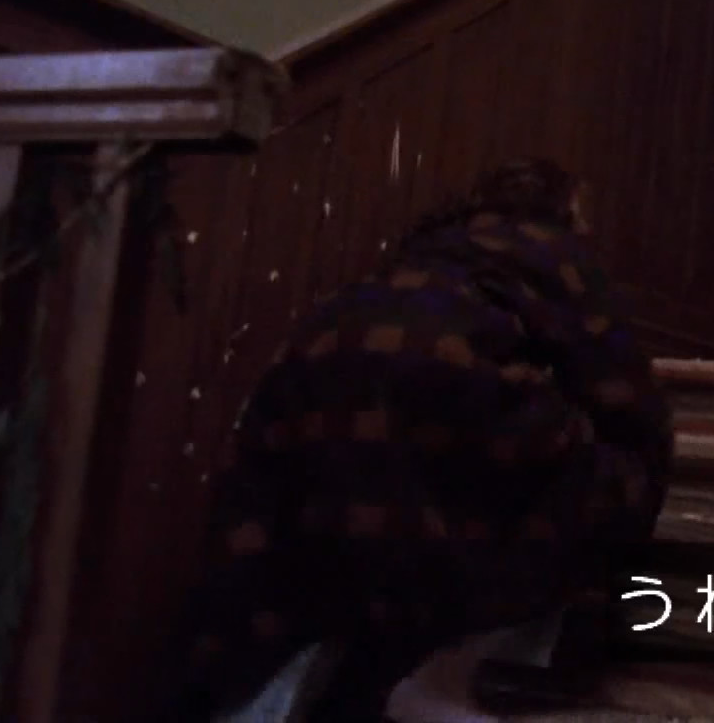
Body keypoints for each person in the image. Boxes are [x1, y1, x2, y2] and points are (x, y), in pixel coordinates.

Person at [164, 158, 673, 722]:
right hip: (443, 415)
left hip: (320, 405)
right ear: (565, 211)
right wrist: (635, 482)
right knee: (601, 479)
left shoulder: (422, 255)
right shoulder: (555, 253)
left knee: (370, 509)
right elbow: (624, 392)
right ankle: (451, 676)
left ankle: (312, 680)